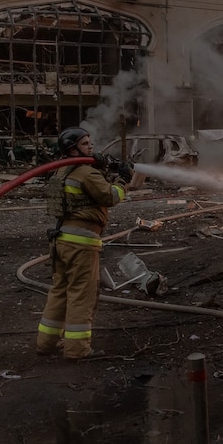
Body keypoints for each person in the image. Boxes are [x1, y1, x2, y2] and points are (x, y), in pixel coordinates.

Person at [36, 127, 128, 360]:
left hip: (61, 241)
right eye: (86, 144)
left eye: (90, 142)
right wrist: (123, 180)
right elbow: (110, 196)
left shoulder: (62, 170)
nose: (91, 147)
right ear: (73, 148)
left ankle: (46, 343)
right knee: (81, 294)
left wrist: (102, 169)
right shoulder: (86, 173)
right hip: (81, 243)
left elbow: (85, 195)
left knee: (59, 291)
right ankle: (77, 349)